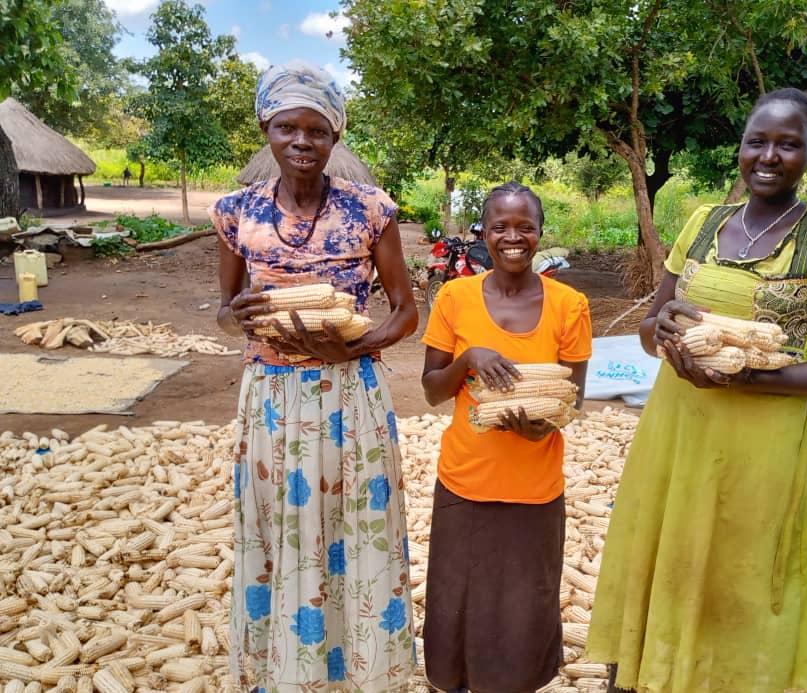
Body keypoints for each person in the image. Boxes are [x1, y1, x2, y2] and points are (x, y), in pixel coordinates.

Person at [586, 88, 807, 693]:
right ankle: (648, 676)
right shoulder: (705, 222)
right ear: (740, 147)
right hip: (676, 430)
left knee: (740, 576)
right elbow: (650, 327)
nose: (768, 157)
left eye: (788, 144)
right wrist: (661, 329)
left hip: (761, 447)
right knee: (664, 556)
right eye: (757, 141)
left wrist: (752, 375)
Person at [211, 60, 419, 692]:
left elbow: (406, 311)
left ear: (335, 137)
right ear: (266, 131)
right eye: (287, 128)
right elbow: (225, 311)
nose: (301, 141)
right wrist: (238, 315)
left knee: (355, 526)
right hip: (271, 396)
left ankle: (360, 671)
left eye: (316, 130)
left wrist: (354, 348)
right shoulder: (236, 212)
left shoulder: (370, 210)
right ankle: (285, 670)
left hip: (349, 393)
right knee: (280, 527)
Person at [420, 182, 593, 693]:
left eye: (525, 227)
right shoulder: (455, 297)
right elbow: (432, 390)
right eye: (500, 227)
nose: (512, 237)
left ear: (540, 233)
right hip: (465, 480)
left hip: (533, 486)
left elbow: (573, 399)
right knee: (457, 595)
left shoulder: (569, 305)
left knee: (523, 602)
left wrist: (543, 427)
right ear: (483, 233)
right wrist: (468, 360)